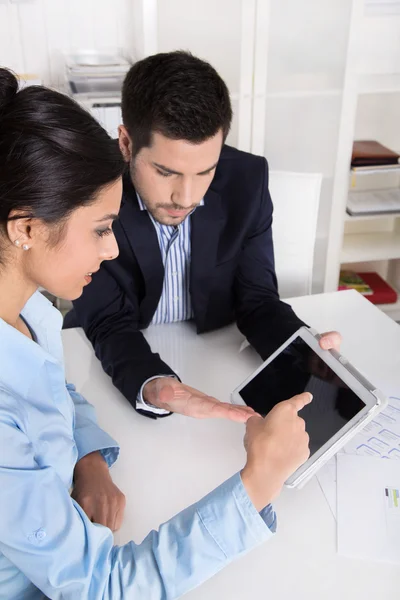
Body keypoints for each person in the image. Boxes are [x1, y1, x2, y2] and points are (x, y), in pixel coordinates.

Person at [0, 67, 312, 600]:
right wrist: (255, 485)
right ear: (25, 228)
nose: (112, 246)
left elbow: (53, 393)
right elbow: (102, 586)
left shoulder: (32, 316)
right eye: (101, 230)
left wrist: (87, 456)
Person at [68, 51, 341, 420]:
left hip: (218, 352)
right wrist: (152, 383)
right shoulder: (90, 192)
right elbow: (107, 321)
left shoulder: (248, 179)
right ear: (127, 144)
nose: (187, 197)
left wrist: (303, 350)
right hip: (105, 368)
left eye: (205, 172)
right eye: (166, 172)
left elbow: (258, 301)